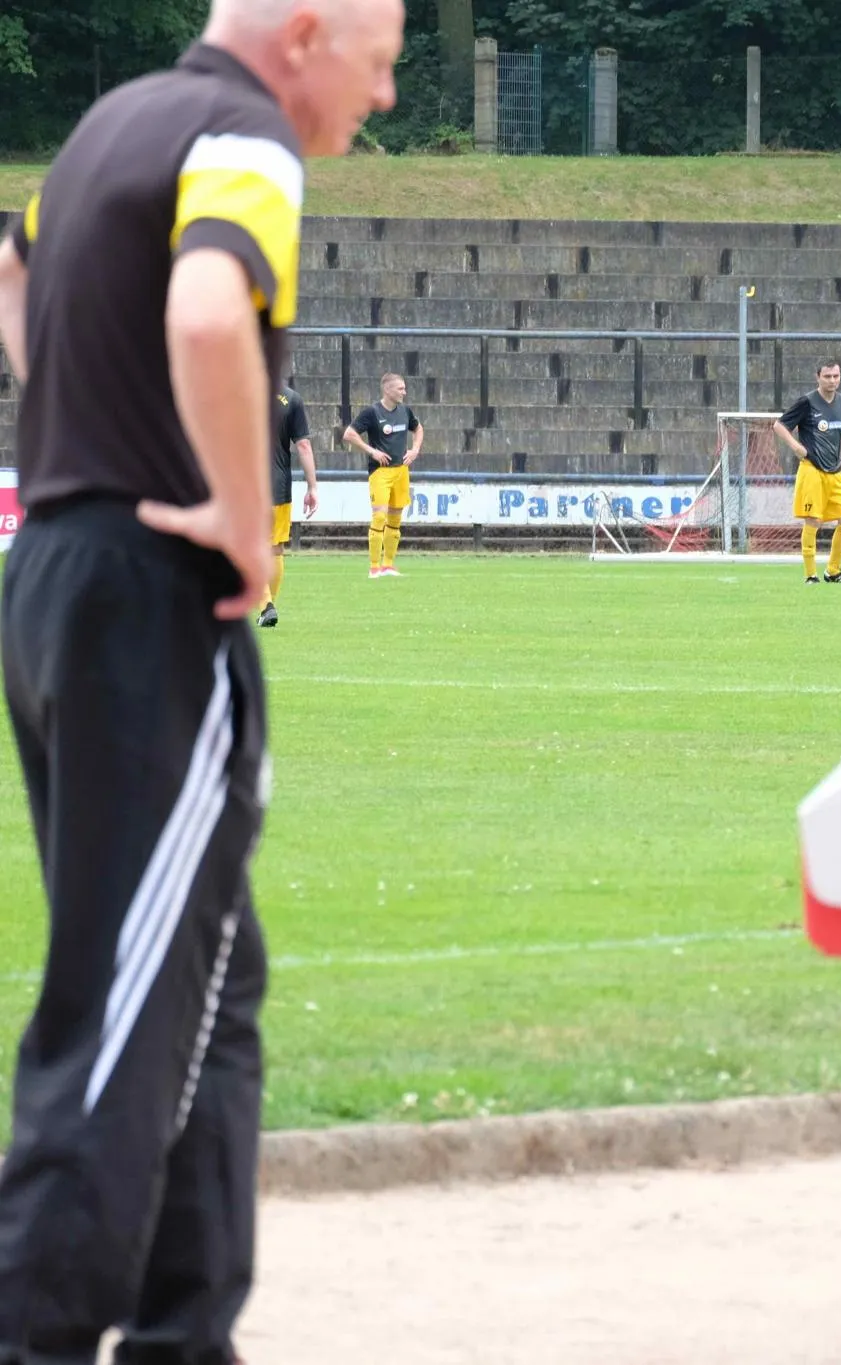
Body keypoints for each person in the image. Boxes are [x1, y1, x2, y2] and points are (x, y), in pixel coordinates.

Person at [0, 1, 399, 1360]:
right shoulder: (243, 137)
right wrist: (237, 508)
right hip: (149, 596)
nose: (383, 96)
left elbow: (12, 272)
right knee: (128, 993)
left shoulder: (110, 127)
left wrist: (87, 430)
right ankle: (36, 1329)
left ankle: (188, 1329)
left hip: (56, 574)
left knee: (209, 977)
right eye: (380, 63)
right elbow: (211, 312)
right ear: (306, 36)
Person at [774, 360, 841, 582]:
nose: (832, 381)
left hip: (836, 472)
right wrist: (796, 447)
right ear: (817, 377)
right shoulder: (807, 402)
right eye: (827, 376)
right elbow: (779, 425)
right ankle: (811, 575)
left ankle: (833, 571)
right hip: (812, 469)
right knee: (813, 521)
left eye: (836, 376)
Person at [341, 371, 420, 578]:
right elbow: (349, 434)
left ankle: (388, 565)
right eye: (400, 388)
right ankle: (374, 567)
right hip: (380, 472)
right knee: (379, 517)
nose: (404, 392)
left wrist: (415, 450)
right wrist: (372, 451)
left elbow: (418, 429)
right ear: (387, 389)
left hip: (401, 471)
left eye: (404, 388)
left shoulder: (405, 411)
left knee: (395, 520)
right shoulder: (372, 412)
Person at [261, 382, 318, 627]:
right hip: (279, 486)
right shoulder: (291, 398)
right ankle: (268, 606)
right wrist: (312, 486)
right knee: (275, 549)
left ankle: (266, 606)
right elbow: (303, 446)